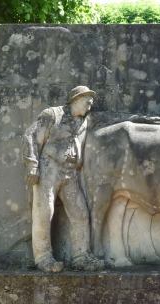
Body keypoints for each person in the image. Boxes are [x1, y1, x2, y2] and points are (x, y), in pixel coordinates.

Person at [23, 85, 104, 272]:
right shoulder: (52, 115)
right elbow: (30, 136)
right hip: (48, 168)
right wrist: (32, 166)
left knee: (80, 212)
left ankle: (81, 256)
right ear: (77, 99)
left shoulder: (84, 121)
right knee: (45, 212)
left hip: (70, 172)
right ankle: (43, 258)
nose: (89, 107)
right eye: (87, 102)